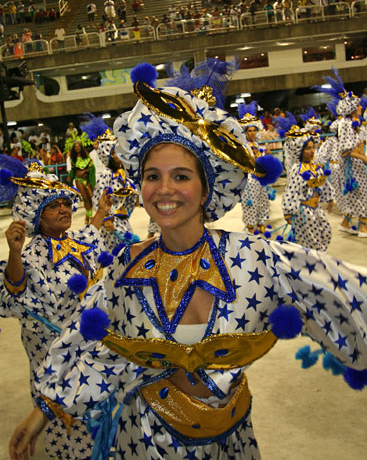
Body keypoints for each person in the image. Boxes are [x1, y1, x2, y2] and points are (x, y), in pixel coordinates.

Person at [10, 63, 367, 460]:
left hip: (232, 441)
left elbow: (341, 292)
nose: (164, 190)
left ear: (205, 189)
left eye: (181, 176)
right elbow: (92, 347)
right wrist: (40, 414)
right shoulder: (124, 269)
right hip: (144, 439)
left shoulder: (254, 258)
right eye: (151, 176)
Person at [0, 157, 113, 460]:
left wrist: (101, 212)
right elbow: (16, 288)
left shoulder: (74, 241)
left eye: (65, 202)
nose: (64, 209)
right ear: (38, 216)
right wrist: (14, 252)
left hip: (89, 348)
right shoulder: (33, 254)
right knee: (63, 411)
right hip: (52, 350)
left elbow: (91, 236)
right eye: (54, 206)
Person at [314, 68, 367, 237]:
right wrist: (363, 157)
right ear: (351, 108)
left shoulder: (353, 123)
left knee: (355, 195)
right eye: (357, 105)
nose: (360, 107)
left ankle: (346, 223)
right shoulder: (345, 123)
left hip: (355, 166)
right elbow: (344, 150)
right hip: (352, 167)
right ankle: (363, 226)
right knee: (361, 194)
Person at [81, 115, 140, 253]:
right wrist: (106, 218)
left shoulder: (122, 173)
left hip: (122, 219)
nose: (119, 155)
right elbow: (98, 199)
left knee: (126, 253)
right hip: (112, 222)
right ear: (107, 155)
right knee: (118, 253)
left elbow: (132, 190)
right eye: (115, 152)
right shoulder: (106, 176)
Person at [281, 128, 334, 251]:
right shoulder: (297, 169)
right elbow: (291, 191)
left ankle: (317, 257)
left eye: (312, 147)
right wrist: (288, 212)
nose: (312, 151)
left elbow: (324, 183)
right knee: (312, 239)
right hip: (304, 211)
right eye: (308, 148)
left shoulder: (315, 166)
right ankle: (316, 261)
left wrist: (330, 198)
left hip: (316, 208)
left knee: (326, 232)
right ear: (300, 150)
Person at [239, 101, 272, 234]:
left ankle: (261, 221)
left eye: (254, 130)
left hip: (261, 177)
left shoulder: (258, 145)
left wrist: (266, 153)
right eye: (249, 131)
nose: (252, 133)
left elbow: (261, 155)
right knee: (250, 202)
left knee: (263, 200)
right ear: (245, 132)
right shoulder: (243, 146)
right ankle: (250, 225)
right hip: (250, 178)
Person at [66, 139, 95, 223]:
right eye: (76, 146)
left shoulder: (87, 157)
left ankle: (87, 214)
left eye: (79, 146)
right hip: (79, 180)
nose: (77, 147)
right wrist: (70, 177)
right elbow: (73, 170)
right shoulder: (73, 159)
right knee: (85, 198)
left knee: (90, 198)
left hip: (87, 179)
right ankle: (90, 216)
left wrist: (89, 173)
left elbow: (91, 168)